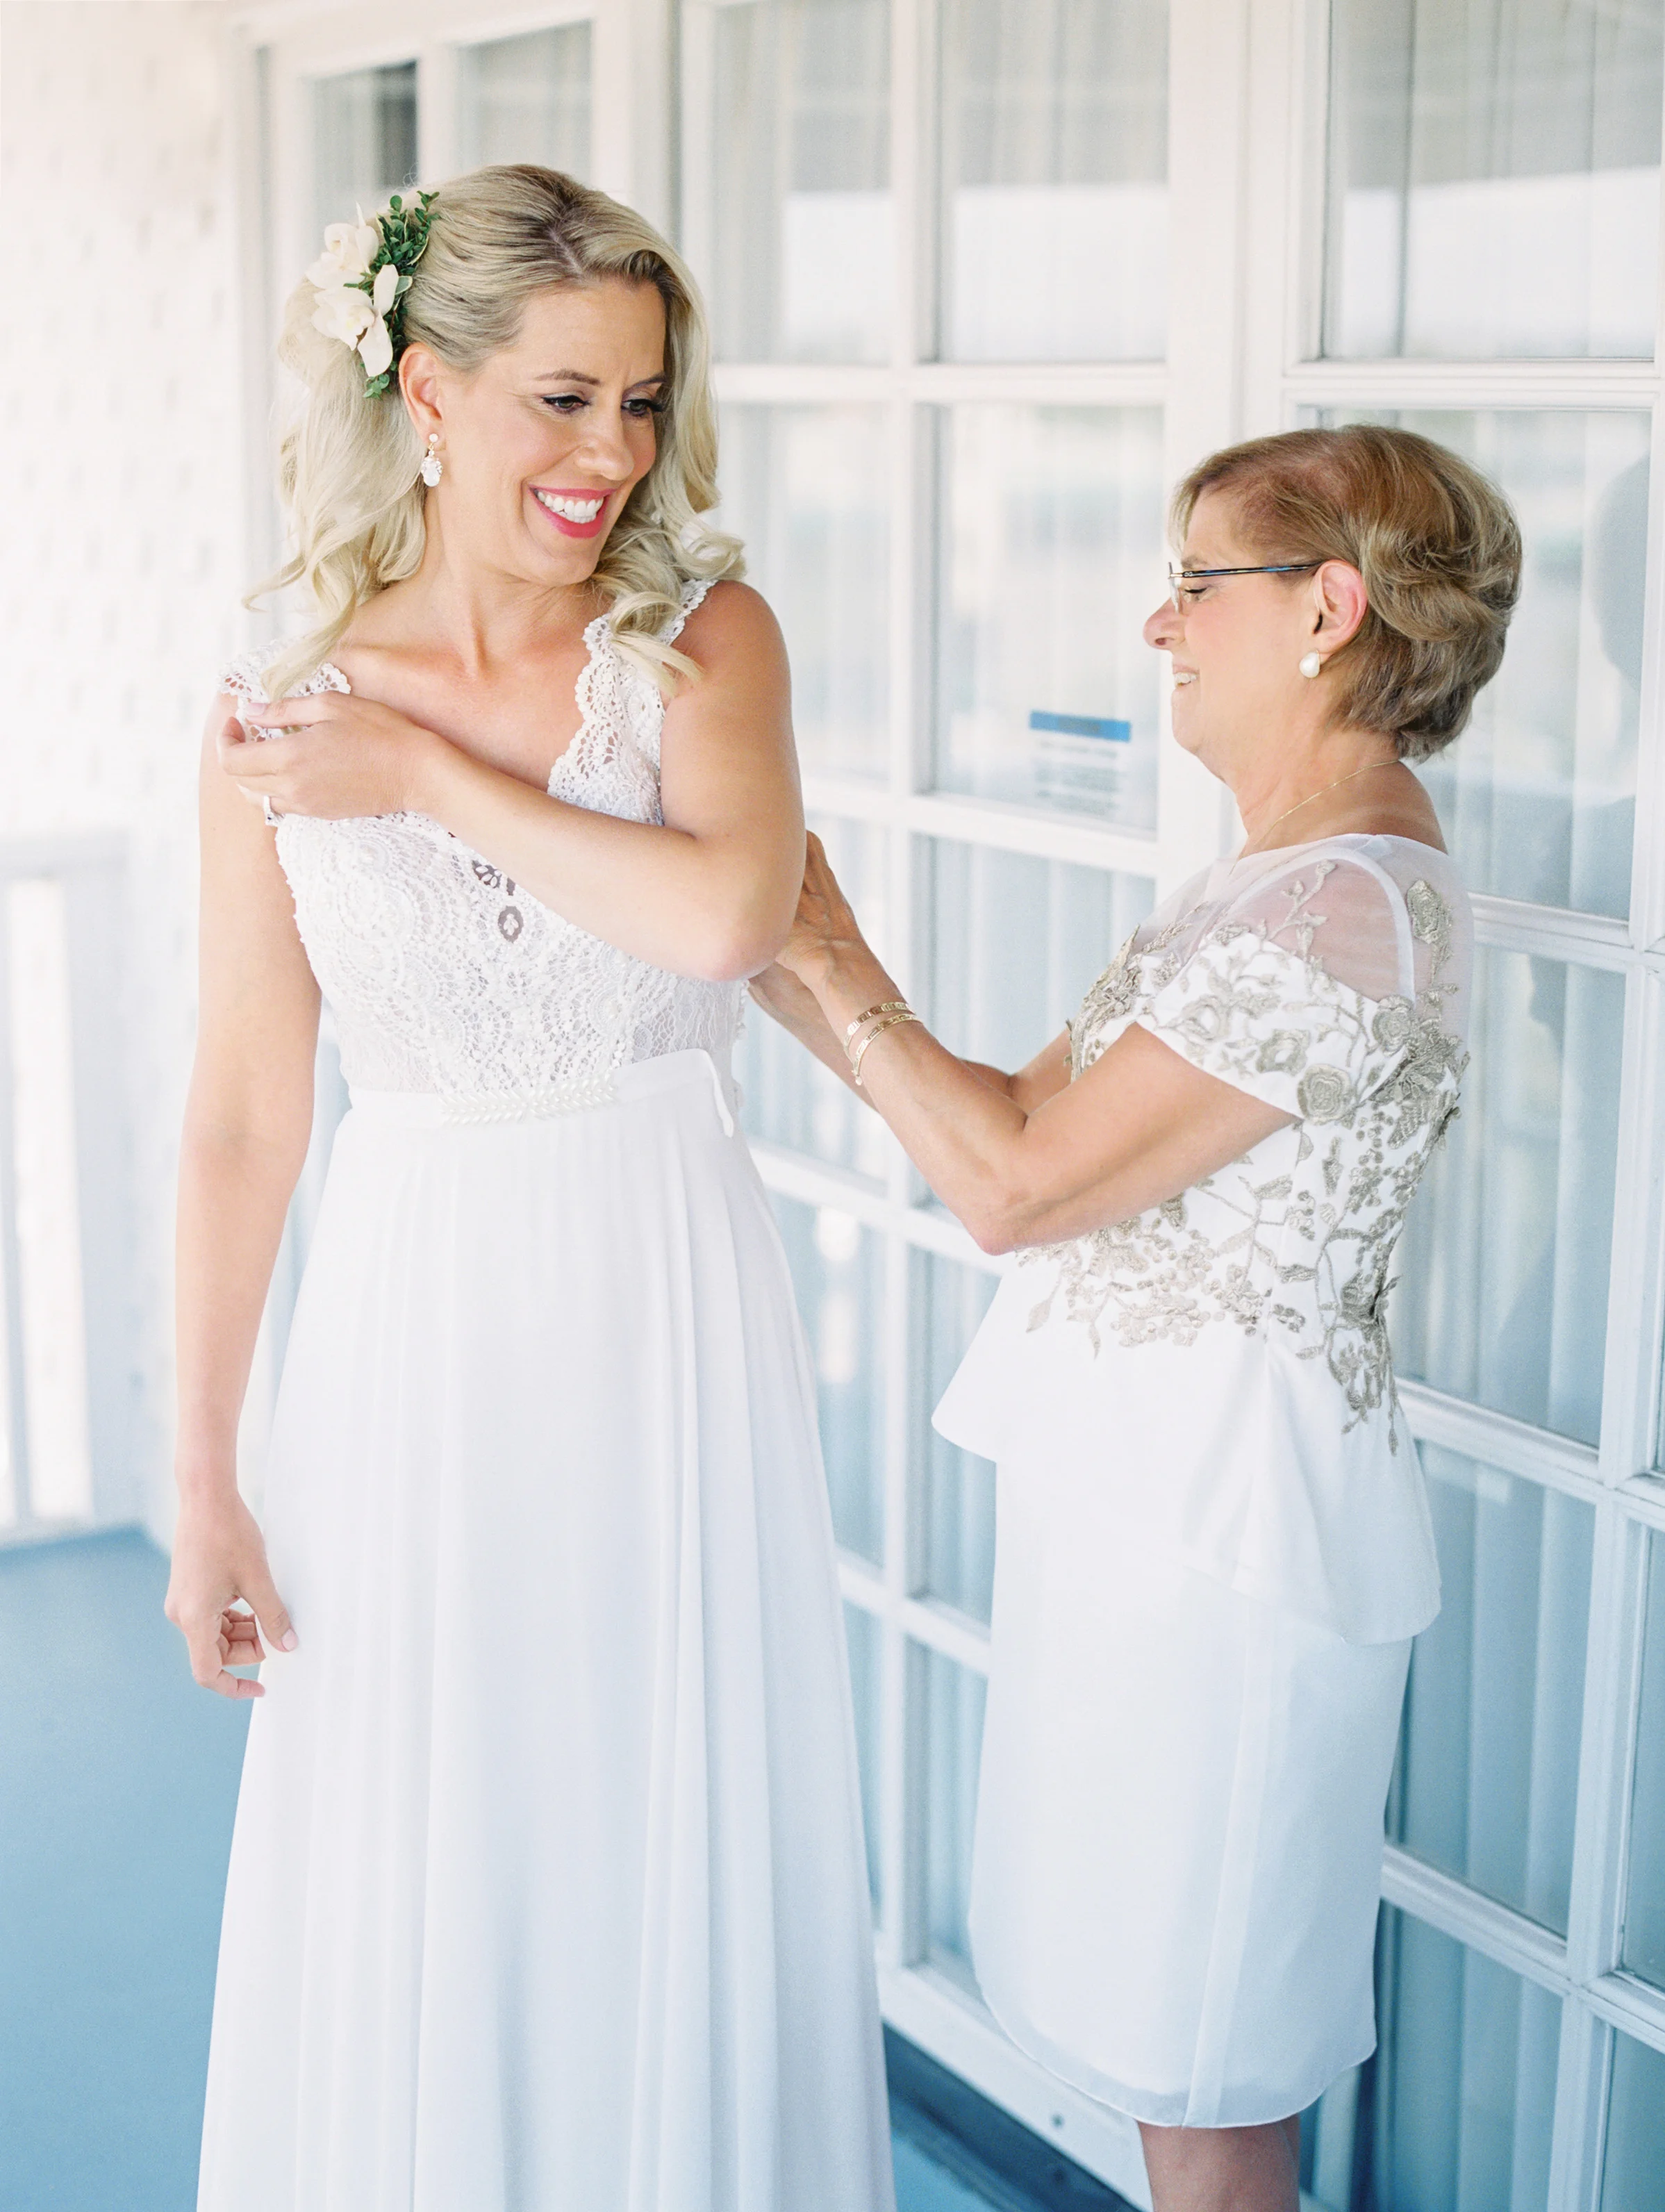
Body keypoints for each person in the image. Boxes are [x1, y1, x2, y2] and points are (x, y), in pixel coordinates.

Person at [165, 164, 894, 2212]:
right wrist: (203, 1471)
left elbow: (728, 914)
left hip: (660, 1297)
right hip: (408, 1319)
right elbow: (239, 1101)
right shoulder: (275, 671)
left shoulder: (698, 637)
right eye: (562, 401)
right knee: (433, 1820)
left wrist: (422, 780)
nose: (611, 457)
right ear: (425, 387)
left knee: (652, 1804)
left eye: (642, 403)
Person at [752, 425, 1521, 2212]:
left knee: (1207, 2072)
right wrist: (779, 942)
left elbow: (1012, 1186)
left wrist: (838, 957)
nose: (1156, 625)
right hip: (1145, 1518)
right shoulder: (1268, 885)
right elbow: (999, 1133)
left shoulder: (1339, 907)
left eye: (1196, 583)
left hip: (1226, 1558)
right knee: (1163, 2040)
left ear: (1324, 609)